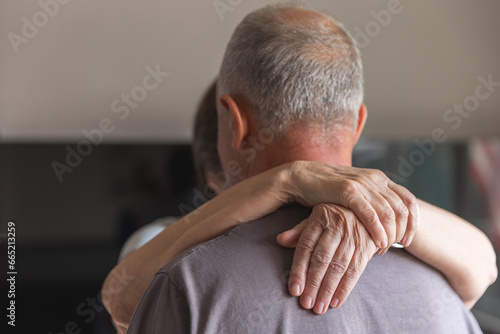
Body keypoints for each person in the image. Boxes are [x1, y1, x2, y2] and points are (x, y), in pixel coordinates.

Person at [118, 4, 497, 333]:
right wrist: (294, 181)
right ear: (358, 123)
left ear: (235, 123)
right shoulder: (442, 293)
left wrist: (359, 204)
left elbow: (119, 298)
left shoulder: (187, 285)